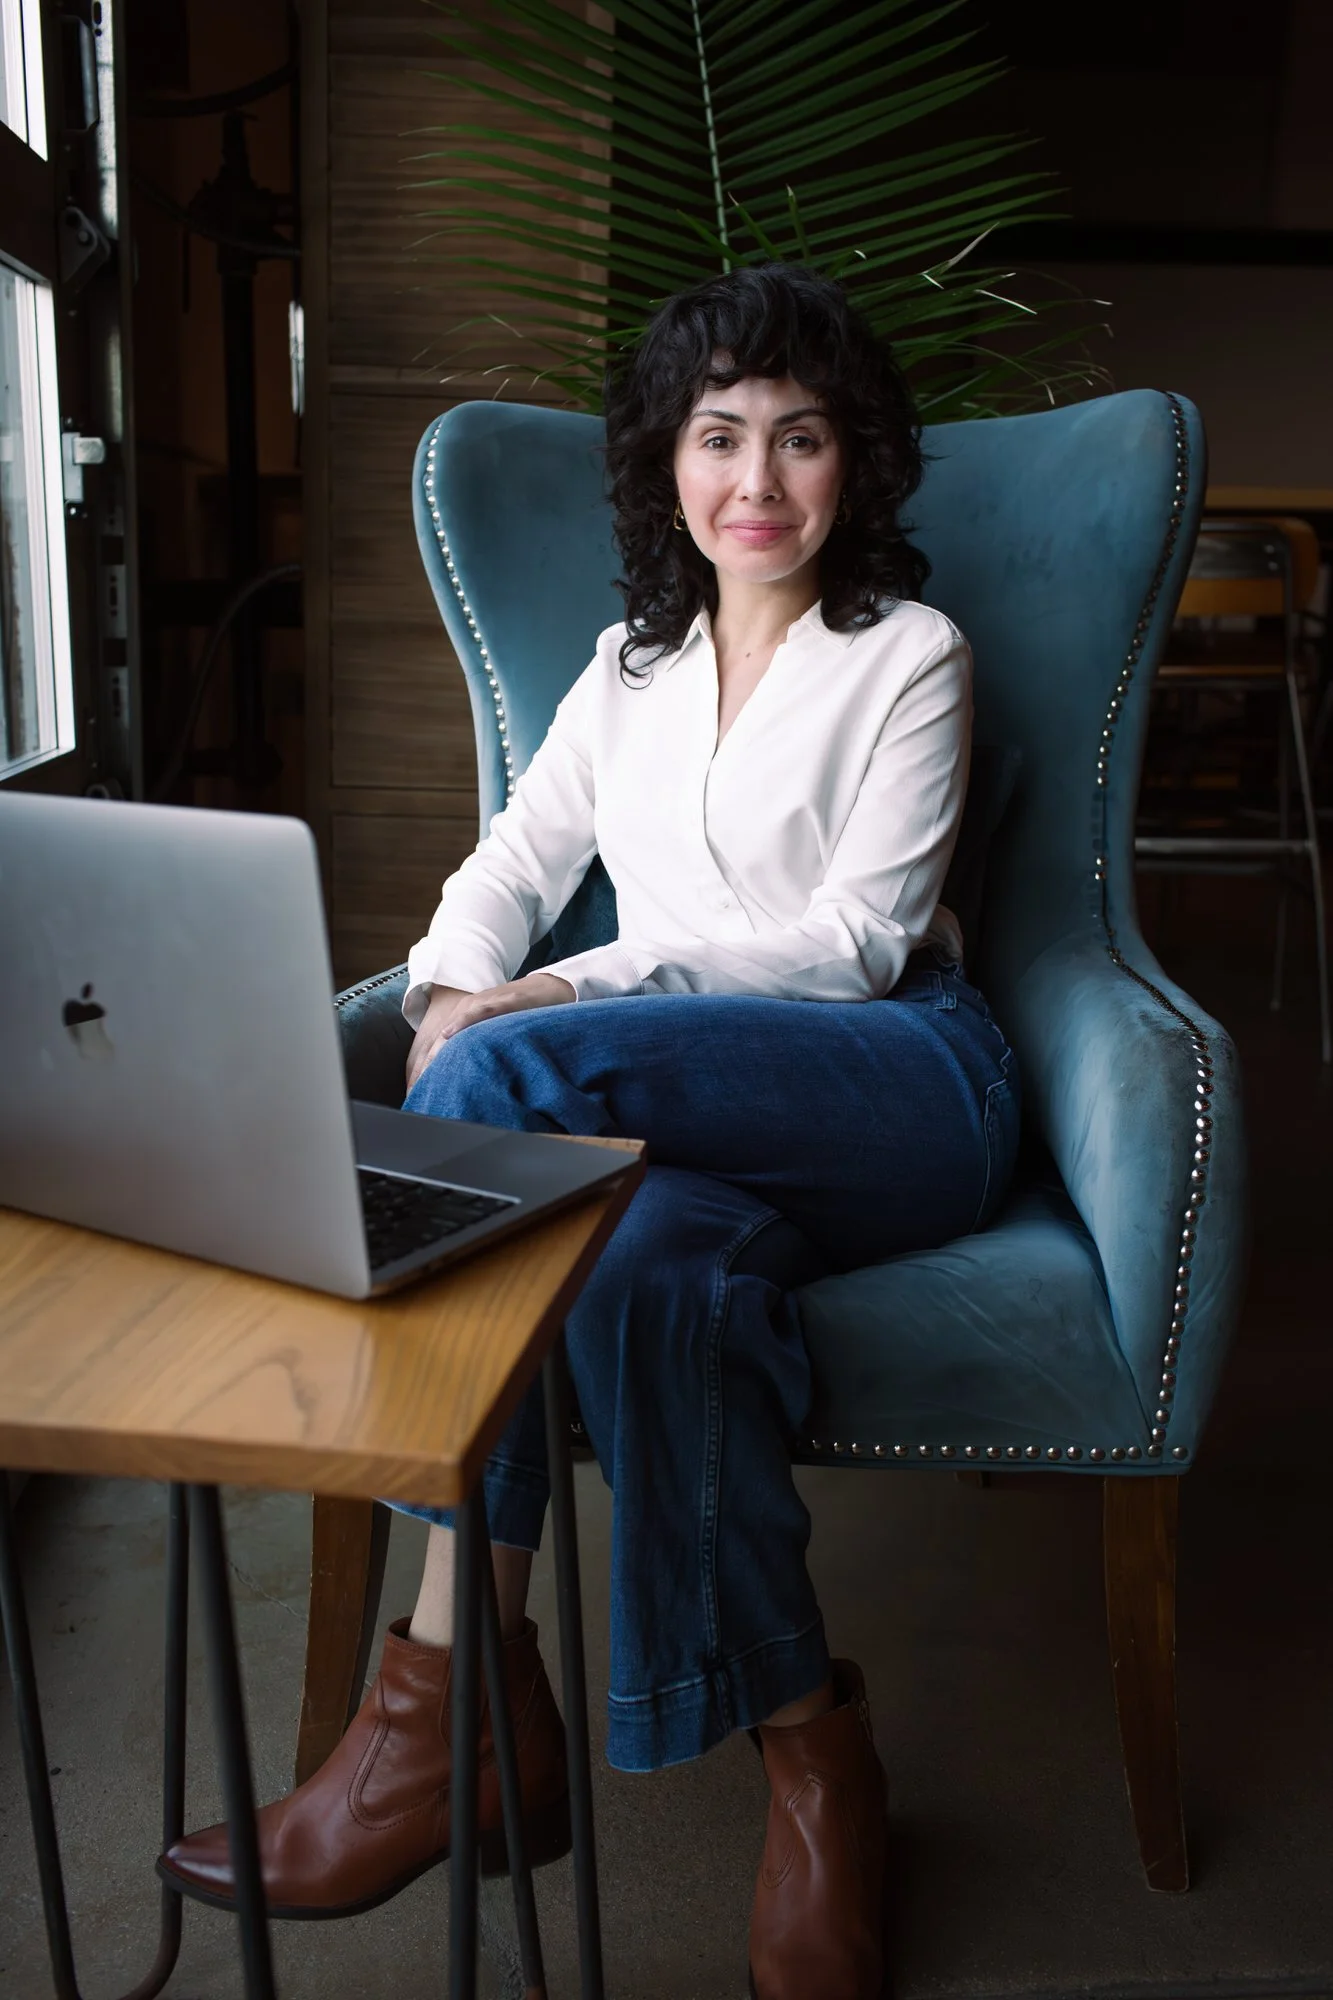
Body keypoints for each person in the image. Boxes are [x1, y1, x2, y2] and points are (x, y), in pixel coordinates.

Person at [160, 261, 1020, 2000]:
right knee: (641, 1278)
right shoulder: (630, 668)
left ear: (855, 464)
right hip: (676, 1137)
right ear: (668, 463)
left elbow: (849, 945)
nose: (759, 483)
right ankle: (814, 1759)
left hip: (898, 1085)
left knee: (501, 1089)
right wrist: (447, 987)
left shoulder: (908, 655)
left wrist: (553, 1004)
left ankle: (444, 1715)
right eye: (721, 438)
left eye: (800, 438)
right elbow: (510, 864)